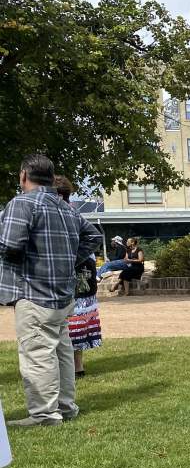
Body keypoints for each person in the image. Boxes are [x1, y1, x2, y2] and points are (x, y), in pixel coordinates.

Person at [0, 154, 102, 426]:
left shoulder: (22, 203)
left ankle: (44, 414)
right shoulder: (65, 207)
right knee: (61, 351)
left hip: (33, 291)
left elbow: (10, 245)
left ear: (24, 175)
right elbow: (94, 236)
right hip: (62, 294)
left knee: (37, 353)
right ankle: (65, 407)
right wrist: (69, 259)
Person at [55, 177, 102, 374]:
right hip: (84, 273)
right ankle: (76, 366)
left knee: (69, 322)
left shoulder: (62, 214)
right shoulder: (73, 213)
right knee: (75, 321)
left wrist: (71, 260)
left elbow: (93, 237)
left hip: (73, 275)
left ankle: (71, 367)